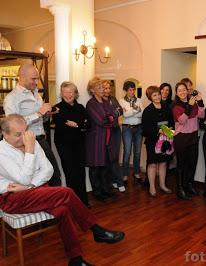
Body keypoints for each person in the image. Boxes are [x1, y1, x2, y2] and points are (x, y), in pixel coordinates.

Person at [0, 114, 125, 266]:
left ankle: (76, 259)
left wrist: (29, 186)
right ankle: (96, 230)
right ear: (5, 134)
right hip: (11, 198)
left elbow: (48, 170)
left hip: (35, 190)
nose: (24, 138)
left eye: (25, 132)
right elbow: (23, 178)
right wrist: (30, 150)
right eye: (17, 135)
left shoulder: (29, 140)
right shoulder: (2, 151)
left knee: (62, 210)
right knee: (66, 192)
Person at [3, 63, 61, 186]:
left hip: (41, 140)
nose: (36, 82)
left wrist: (45, 116)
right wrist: (39, 113)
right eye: (33, 79)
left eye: (37, 78)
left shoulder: (35, 93)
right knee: (34, 176)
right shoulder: (11, 98)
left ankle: (56, 202)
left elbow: (40, 120)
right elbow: (12, 124)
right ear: (22, 77)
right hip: (24, 143)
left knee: (54, 175)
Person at [53, 81, 89, 206]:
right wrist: (80, 125)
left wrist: (77, 125)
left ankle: (83, 201)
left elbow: (87, 124)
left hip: (79, 144)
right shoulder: (57, 108)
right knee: (70, 173)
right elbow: (63, 126)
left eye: (70, 92)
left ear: (75, 93)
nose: (68, 95)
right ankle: (74, 203)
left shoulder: (80, 107)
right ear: (61, 94)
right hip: (64, 145)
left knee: (80, 172)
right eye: (65, 92)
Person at [86, 77, 118, 201]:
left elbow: (114, 118)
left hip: (108, 140)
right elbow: (101, 121)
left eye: (101, 87)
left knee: (106, 166)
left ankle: (106, 189)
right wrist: (109, 118)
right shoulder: (91, 104)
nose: (101, 90)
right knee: (95, 167)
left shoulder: (105, 102)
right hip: (96, 141)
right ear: (92, 90)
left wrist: (109, 118)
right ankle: (97, 192)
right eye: (98, 88)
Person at [172, 82, 204, 200]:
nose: (182, 92)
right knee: (182, 165)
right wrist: (189, 106)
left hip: (193, 136)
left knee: (192, 163)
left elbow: (201, 115)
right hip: (181, 137)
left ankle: (189, 185)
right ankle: (180, 189)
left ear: (187, 90)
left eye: (184, 90)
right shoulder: (176, 106)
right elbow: (182, 120)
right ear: (176, 93)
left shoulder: (193, 102)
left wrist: (199, 102)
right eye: (179, 90)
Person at [142, 86, 174, 197]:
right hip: (152, 142)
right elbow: (145, 130)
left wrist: (170, 129)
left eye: (158, 94)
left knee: (163, 163)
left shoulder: (166, 107)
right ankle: (152, 187)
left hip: (165, 140)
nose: (158, 97)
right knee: (152, 164)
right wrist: (158, 130)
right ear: (150, 97)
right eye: (154, 95)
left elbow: (171, 122)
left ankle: (162, 185)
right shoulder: (147, 111)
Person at [102, 80, 125, 193]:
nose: (107, 90)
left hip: (115, 130)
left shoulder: (113, 99)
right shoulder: (99, 101)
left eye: (108, 88)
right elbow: (106, 117)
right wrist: (113, 113)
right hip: (106, 132)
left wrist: (113, 114)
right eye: (105, 88)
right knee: (108, 158)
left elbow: (120, 111)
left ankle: (118, 181)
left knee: (114, 157)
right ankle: (115, 181)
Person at [118, 81, 143, 183]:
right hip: (127, 128)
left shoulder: (139, 100)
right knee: (127, 152)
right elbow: (124, 115)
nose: (132, 92)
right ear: (126, 90)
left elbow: (142, 114)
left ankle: (136, 173)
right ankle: (125, 175)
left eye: (133, 89)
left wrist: (130, 111)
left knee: (137, 152)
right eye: (130, 90)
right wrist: (136, 110)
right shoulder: (121, 101)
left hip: (138, 128)